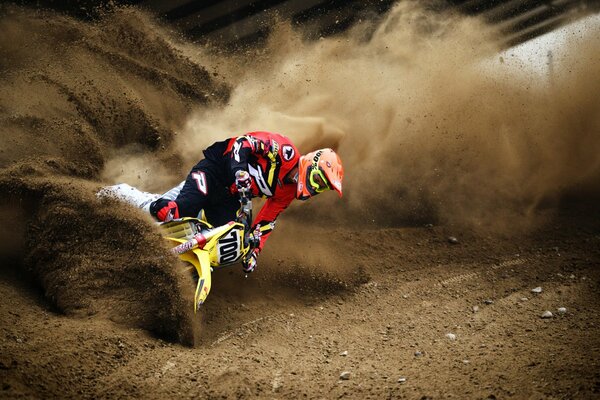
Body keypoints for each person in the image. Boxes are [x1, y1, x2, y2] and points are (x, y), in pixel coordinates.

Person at [102, 131, 344, 273]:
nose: (315, 188)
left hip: (227, 198)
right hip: (214, 172)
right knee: (172, 210)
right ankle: (118, 194)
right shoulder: (285, 151)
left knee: (228, 243)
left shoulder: (287, 193)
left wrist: (254, 251)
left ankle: (176, 267)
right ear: (309, 165)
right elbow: (243, 143)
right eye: (318, 180)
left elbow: (267, 221)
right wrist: (240, 171)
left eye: (322, 187)